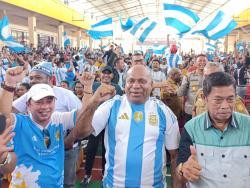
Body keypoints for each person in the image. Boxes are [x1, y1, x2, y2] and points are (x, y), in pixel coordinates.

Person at [67, 65, 181, 187]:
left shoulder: (164, 112)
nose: (136, 86)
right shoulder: (111, 106)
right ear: (125, 84)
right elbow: (80, 133)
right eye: (131, 81)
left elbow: (175, 157)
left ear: (152, 84)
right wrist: (94, 101)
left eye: (142, 81)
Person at [0, 66, 114, 187]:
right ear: (28, 104)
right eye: (39, 102)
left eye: (49, 101)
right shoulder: (21, 122)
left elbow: (84, 114)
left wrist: (87, 88)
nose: (45, 107)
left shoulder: (58, 119)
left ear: (55, 102)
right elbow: (4, 117)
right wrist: (10, 84)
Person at [11, 61, 82, 188]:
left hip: (66, 146)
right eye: (31, 77)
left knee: (67, 182)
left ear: (50, 79)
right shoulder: (30, 94)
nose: (33, 81)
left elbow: (82, 117)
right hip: (38, 146)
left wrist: (70, 139)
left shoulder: (66, 94)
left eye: (38, 77)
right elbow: (9, 112)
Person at [176, 72, 250, 188]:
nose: (225, 106)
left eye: (230, 99)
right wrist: (183, 169)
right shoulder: (191, 129)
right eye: (218, 100)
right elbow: (180, 170)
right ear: (205, 98)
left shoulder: (248, 126)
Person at [81, 65, 123, 187]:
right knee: (91, 148)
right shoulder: (94, 85)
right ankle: (87, 175)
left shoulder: (117, 88)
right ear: (101, 74)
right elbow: (88, 102)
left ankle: (105, 174)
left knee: (107, 150)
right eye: (104, 73)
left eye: (108, 73)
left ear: (112, 75)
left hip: (110, 123)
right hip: (95, 122)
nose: (106, 75)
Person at [177, 54, 207, 123]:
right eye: (200, 61)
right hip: (190, 110)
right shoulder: (188, 76)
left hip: (205, 111)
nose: (202, 63)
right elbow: (180, 93)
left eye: (204, 61)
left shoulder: (212, 76)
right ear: (195, 63)